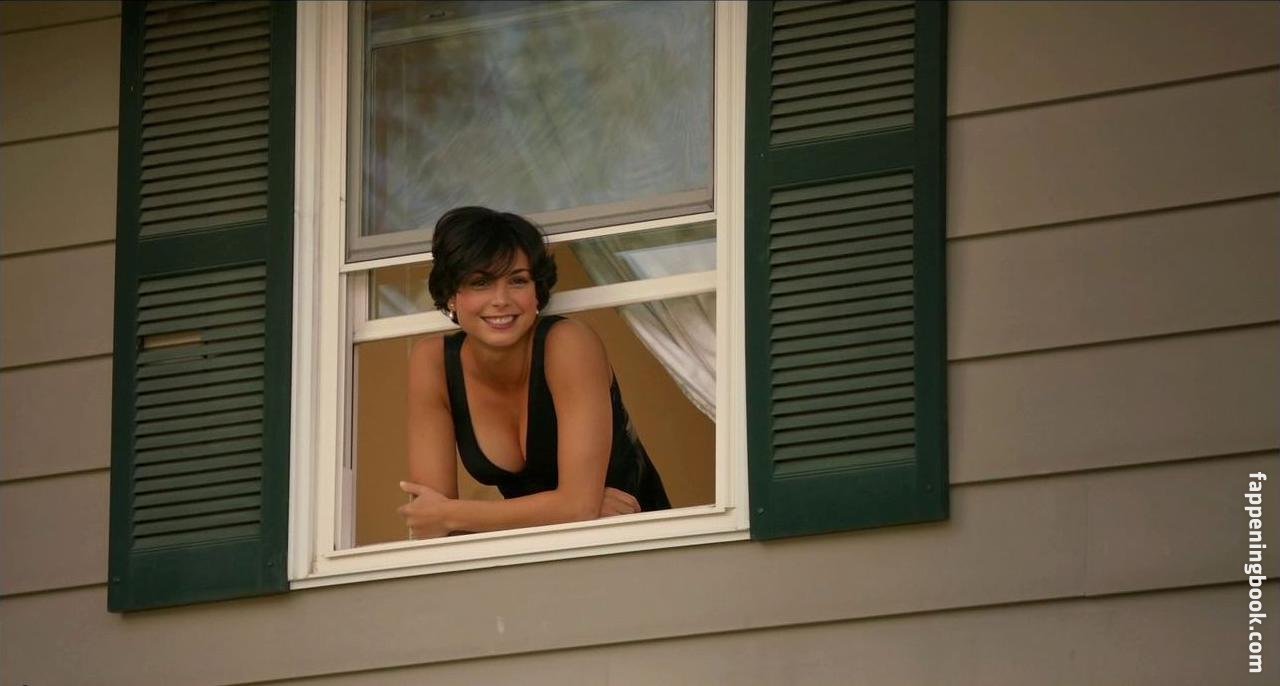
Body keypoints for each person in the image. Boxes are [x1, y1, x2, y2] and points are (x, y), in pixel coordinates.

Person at [398, 206, 670, 539]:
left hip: (639, 547)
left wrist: (454, 514)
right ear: (451, 295)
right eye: (480, 283)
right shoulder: (433, 362)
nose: (501, 299)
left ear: (536, 292)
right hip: (530, 557)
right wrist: (565, 509)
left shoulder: (568, 344)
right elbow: (430, 527)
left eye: (517, 281)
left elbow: (577, 508)